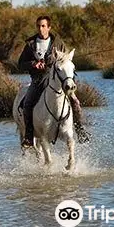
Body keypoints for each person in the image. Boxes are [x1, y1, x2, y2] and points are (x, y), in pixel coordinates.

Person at [17, 15, 91, 148]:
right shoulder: (30, 45)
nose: (41, 28)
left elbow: (67, 63)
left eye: (43, 26)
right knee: (27, 104)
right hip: (38, 80)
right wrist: (33, 64)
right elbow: (20, 64)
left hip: (57, 80)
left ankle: (80, 130)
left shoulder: (58, 43)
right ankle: (29, 136)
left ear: (49, 27)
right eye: (38, 26)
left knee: (75, 102)